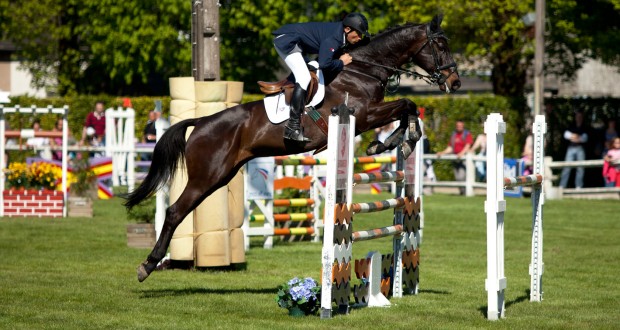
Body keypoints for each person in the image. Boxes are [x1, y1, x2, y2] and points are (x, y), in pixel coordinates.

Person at [273, 12, 370, 142]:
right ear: (347, 29)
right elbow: (324, 64)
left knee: (311, 69)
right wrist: (341, 62)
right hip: (287, 40)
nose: (359, 37)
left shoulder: (340, 35)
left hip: (298, 43)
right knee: (304, 77)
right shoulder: (334, 38)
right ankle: (292, 127)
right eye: (358, 33)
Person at [437, 120, 473, 195]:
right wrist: (442, 153)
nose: (459, 127)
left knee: (461, 176)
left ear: (463, 126)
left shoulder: (467, 134)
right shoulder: (454, 135)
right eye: (457, 126)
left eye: (460, 126)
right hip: (455, 159)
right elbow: (450, 148)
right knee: (457, 178)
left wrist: (461, 153)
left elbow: (468, 146)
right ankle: (462, 193)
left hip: (464, 159)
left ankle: (465, 192)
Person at [559, 110, 588, 189]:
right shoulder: (571, 125)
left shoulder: (585, 126)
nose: (579, 118)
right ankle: (562, 186)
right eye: (577, 116)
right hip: (571, 148)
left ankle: (579, 186)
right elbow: (566, 135)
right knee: (567, 167)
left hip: (580, 149)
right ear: (575, 117)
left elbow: (585, 138)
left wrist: (576, 137)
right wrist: (577, 137)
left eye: (580, 116)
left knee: (580, 167)